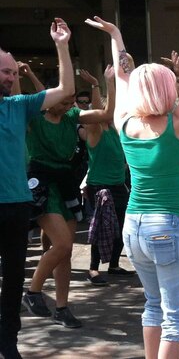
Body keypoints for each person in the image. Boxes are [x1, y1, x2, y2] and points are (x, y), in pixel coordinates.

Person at [86, 4, 179, 359]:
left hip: (135, 226)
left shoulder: (124, 120)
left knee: (153, 305)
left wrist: (115, 35)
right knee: (177, 317)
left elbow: (124, 76)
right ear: (168, 88)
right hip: (170, 224)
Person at [0, 18, 74, 359]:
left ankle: (8, 342)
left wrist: (61, 45)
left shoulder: (19, 106)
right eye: (5, 72)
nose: (11, 77)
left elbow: (64, 91)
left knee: (14, 279)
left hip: (16, 204)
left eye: (13, 72)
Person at [24, 60, 115, 329]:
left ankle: (62, 308)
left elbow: (107, 114)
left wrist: (108, 81)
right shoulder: (33, 118)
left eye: (71, 102)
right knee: (62, 244)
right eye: (63, 101)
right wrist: (26, 74)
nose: (67, 106)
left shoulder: (73, 117)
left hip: (66, 183)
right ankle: (32, 292)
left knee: (64, 252)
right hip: (42, 184)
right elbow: (24, 95)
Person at [80, 65, 135, 286]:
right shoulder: (95, 130)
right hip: (100, 186)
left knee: (122, 227)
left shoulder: (115, 131)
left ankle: (113, 264)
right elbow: (97, 109)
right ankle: (93, 269)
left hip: (119, 185)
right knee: (102, 227)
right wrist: (100, 83)